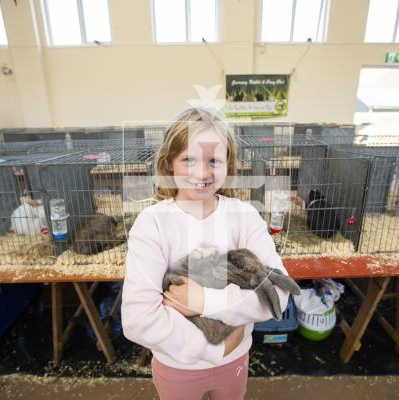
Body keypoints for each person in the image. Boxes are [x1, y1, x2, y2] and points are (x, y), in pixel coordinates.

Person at [122, 107, 291, 400]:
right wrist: (214, 347)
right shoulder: (152, 223)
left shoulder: (244, 216)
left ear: (229, 164)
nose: (202, 173)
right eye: (189, 159)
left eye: (214, 160)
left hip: (236, 360)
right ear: (169, 163)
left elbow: (277, 296)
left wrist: (204, 300)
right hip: (178, 367)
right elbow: (139, 320)